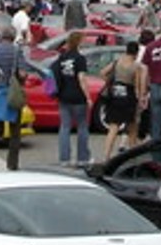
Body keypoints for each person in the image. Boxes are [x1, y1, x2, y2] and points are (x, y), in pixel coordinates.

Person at [0, 19, 31, 170]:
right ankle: (12, 164)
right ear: (14, 36)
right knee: (15, 130)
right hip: (12, 93)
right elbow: (22, 74)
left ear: (0, 36)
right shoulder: (17, 51)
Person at [50, 30, 94, 167]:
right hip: (78, 97)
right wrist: (88, 97)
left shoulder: (62, 57)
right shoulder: (80, 59)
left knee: (65, 127)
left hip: (64, 96)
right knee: (82, 127)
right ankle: (82, 158)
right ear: (79, 42)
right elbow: (81, 78)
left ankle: (64, 159)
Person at [100, 41, 142, 161]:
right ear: (136, 53)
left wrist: (109, 82)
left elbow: (102, 72)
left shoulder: (117, 62)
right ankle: (133, 155)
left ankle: (106, 155)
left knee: (113, 127)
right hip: (129, 97)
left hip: (115, 95)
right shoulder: (136, 66)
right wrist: (139, 102)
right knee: (132, 128)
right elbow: (137, 86)